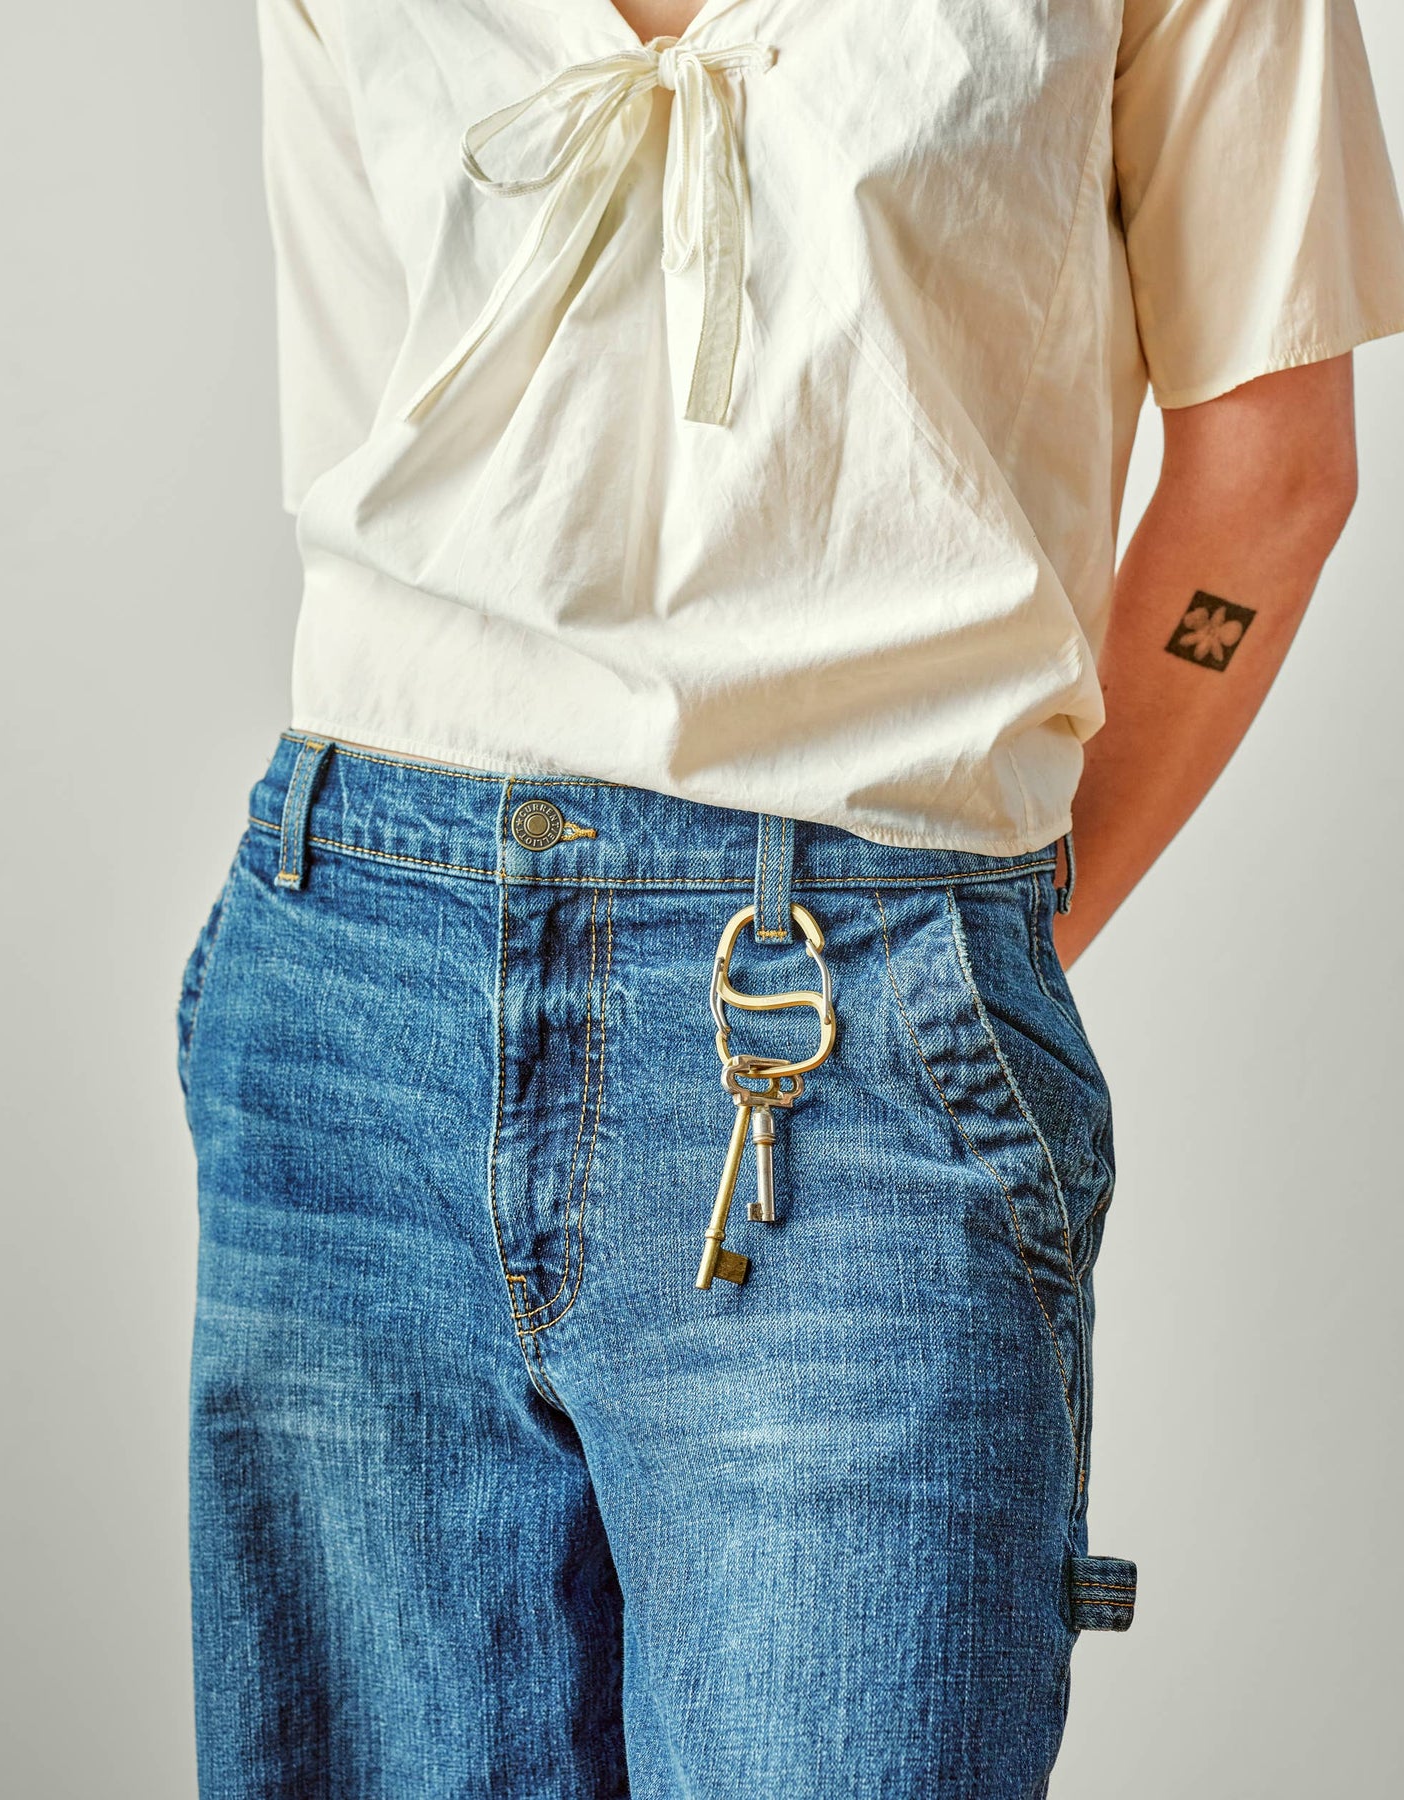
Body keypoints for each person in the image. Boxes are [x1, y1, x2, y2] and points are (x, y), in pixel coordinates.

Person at [176, 1, 1404, 1793]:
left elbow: (1273, 470)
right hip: (357, 973)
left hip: (850, 1011)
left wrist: (970, 943)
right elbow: (387, 433)